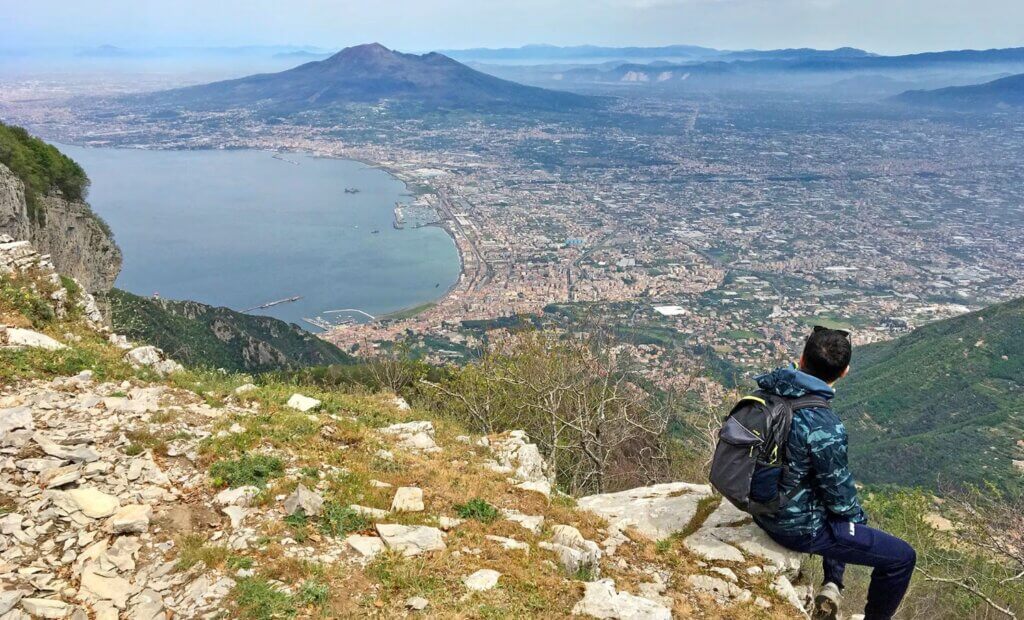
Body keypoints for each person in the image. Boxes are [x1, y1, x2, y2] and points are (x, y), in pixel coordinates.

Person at [752, 326, 916, 620]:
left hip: (758, 504)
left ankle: (833, 583)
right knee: (901, 558)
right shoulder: (824, 426)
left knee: (831, 504)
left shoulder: (769, 390)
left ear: (801, 359)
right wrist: (859, 523)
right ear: (844, 372)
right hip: (793, 527)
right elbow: (840, 500)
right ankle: (840, 588)